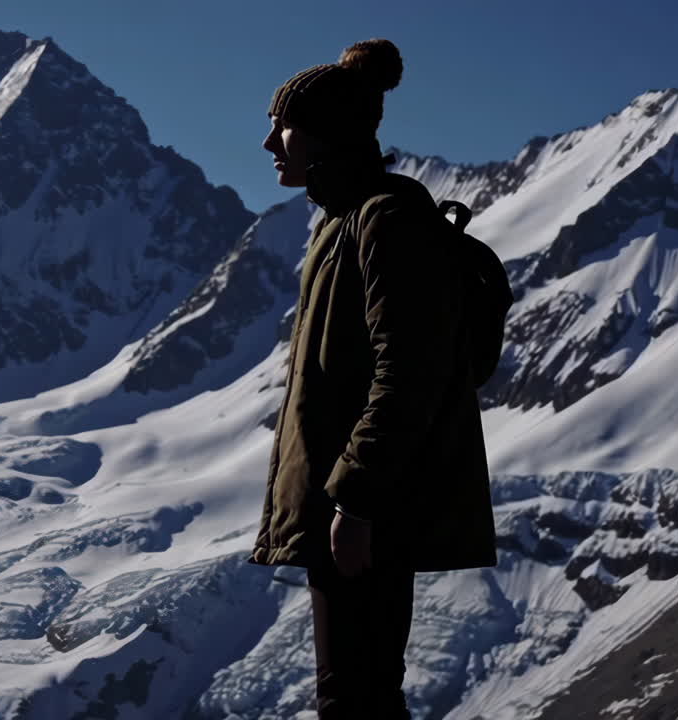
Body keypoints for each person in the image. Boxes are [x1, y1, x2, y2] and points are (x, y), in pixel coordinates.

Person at [245, 38, 499, 719]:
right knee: (355, 695)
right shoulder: (344, 221)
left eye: (284, 125)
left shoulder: (384, 220)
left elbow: (408, 370)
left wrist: (355, 501)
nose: (270, 141)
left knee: (357, 699)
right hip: (351, 506)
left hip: (365, 508)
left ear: (326, 134)